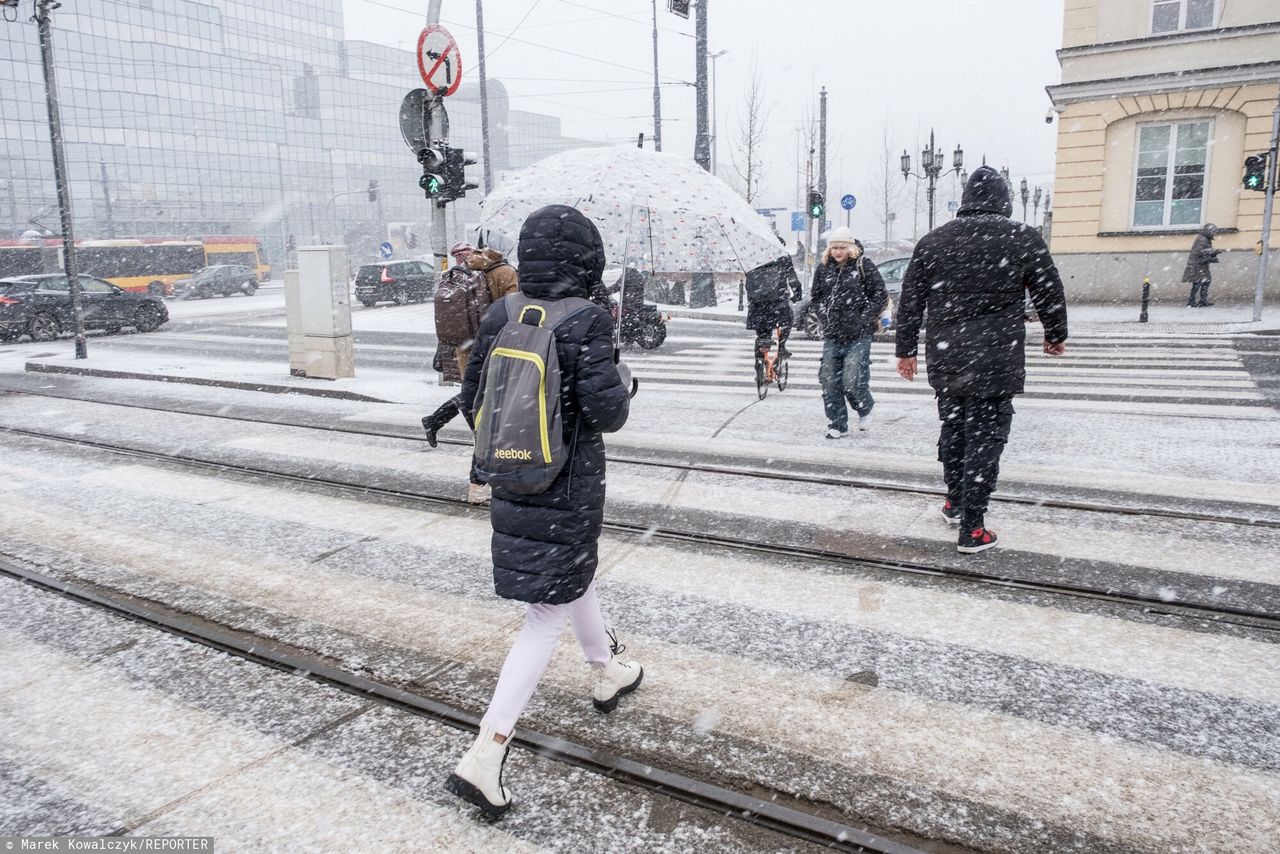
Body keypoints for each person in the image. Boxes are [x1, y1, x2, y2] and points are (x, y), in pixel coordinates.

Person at [447, 204, 641, 817]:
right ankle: (488, 747)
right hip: (568, 480)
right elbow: (608, 413)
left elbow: (471, 395)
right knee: (545, 611)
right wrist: (623, 377)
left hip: (515, 471)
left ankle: (607, 667)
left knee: (569, 575)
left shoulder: (504, 310)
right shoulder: (587, 318)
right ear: (589, 258)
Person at [895, 166, 1069, 554]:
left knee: (954, 428)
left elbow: (910, 302)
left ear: (967, 198)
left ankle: (955, 501)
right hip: (996, 354)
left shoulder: (934, 242)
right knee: (986, 437)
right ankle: (973, 527)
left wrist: (905, 350)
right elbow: (1048, 290)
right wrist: (1055, 335)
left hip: (948, 355)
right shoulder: (1022, 237)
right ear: (1004, 199)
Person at [421, 242, 494, 504]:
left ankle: (435, 420)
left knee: (473, 398)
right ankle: (479, 482)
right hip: (482, 347)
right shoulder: (482, 276)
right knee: (483, 421)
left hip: (466, 348)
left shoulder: (454, 278)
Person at [810, 227, 887, 438]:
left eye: (842, 247)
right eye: (834, 247)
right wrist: (824, 318)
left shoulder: (863, 265)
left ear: (851, 247)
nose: (837, 251)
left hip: (859, 334)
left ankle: (865, 407)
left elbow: (879, 294)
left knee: (852, 379)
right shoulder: (824, 268)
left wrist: (864, 318)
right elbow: (816, 298)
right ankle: (837, 424)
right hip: (833, 334)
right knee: (828, 380)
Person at [744, 254, 802, 360]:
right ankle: (782, 347)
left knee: (762, 337)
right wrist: (797, 294)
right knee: (787, 320)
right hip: (777, 304)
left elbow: (748, 282)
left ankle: (759, 367)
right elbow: (793, 280)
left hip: (757, 306)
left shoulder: (752, 256)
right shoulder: (783, 257)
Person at [1182, 223, 1222, 307]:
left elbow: (1204, 251)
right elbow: (1199, 251)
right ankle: (1191, 301)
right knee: (1197, 283)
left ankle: (1202, 300)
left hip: (1202, 264)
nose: (1214, 234)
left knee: (1206, 281)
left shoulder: (1206, 239)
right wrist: (1212, 252)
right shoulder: (1202, 239)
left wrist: (1213, 253)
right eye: (1213, 231)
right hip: (1197, 264)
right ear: (1208, 231)